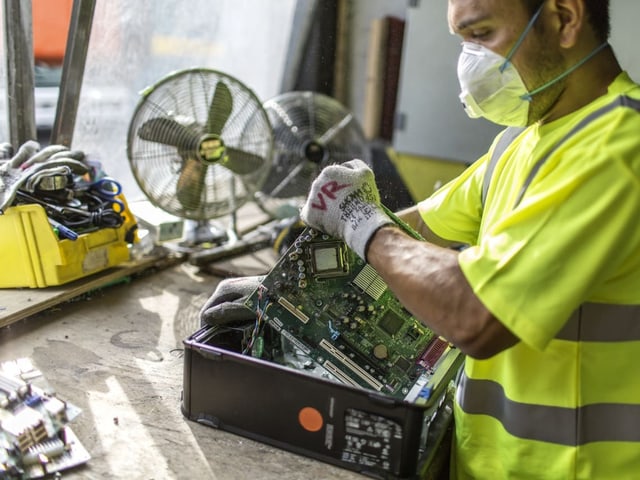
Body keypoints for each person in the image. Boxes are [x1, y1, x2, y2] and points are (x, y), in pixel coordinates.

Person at [200, 0, 640, 478]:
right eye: (462, 40)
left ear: (564, 18)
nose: (470, 63)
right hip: (484, 461)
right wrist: (286, 291)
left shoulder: (620, 148)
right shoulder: (521, 140)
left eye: (483, 34)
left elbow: (476, 313)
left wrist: (359, 219)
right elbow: (415, 229)